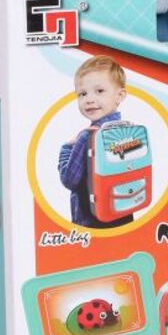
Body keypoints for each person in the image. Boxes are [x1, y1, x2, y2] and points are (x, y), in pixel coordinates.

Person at [58, 55, 132, 227]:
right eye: (82, 94)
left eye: (99, 91)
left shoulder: (87, 137)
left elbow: (70, 180)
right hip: (123, 211)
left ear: (120, 95)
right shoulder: (127, 132)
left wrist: (67, 148)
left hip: (91, 221)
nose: (89, 99)